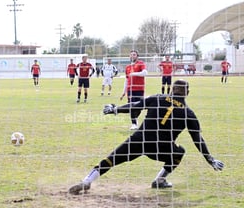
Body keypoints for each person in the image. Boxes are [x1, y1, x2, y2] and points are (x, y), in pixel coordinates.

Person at [68, 79, 224, 195]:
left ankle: (87, 181)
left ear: (171, 90)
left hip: (139, 139)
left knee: (111, 159)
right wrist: (210, 159)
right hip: (161, 148)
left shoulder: (158, 97)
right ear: (187, 93)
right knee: (179, 151)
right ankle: (159, 180)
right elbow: (197, 139)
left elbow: (135, 106)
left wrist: (115, 109)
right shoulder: (189, 113)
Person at [120, 50, 148, 130]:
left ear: (137, 56)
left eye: (134, 54)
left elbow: (145, 73)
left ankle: (135, 119)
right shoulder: (128, 67)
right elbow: (126, 80)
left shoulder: (140, 63)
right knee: (131, 106)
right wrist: (123, 92)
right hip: (130, 89)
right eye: (131, 55)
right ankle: (134, 123)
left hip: (139, 89)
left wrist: (134, 73)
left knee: (140, 106)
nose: (132, 56)